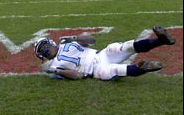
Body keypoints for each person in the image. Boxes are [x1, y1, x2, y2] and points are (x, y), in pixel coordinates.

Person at [34, 26, 175, 81]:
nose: (46, 50)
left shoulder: (66, 42)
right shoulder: (54, 67)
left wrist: (74, 38)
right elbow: (77, 76)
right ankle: (141, 68)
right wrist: (57, 71)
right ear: (42, 56)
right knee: (111, 71)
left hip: (101, 55)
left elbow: (92, 40)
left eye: (45, 46)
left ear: (51, 42)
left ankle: (161, 40)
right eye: (43, 50)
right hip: (94, 70)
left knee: (120, 47)